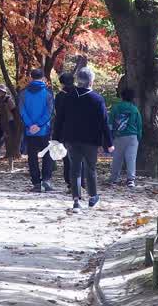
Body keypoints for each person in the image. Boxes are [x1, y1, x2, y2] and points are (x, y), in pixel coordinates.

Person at [55, 66, 113, 209]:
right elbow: (104, 122)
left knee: (74, 168)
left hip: (71, 139)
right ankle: (93, 196)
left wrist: (56, 137)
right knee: (90, 168)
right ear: (91, 81)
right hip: (91, 140)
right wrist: (109, 142)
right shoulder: (97, 99)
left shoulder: (68, 97)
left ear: (78, 80)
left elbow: (59, 119)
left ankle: (76, 200)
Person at [19, 68, 56, 192]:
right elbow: (50, 111)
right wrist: (39, 125)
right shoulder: (48, 93)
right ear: (43, 78)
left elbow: (22, 111)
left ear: (31, 77)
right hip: (44, 129)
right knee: (47, 155)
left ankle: (36, 183)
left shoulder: (23, 93)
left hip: (29, 131)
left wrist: (30, 125)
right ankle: (46, 180)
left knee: (32, 157)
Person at [108, 88, 142, 187]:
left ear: (122, 96)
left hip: (118, 136)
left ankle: (114, 179)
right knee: (131, 158)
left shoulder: (116, 108)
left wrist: (110, 135)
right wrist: (138, 137)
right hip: (132, 137)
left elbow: (110, 122)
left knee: (117, 158)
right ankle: (131, 180)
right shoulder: (134, 109)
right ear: (132, 98)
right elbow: (139, 125)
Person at [52, 71, 76, 186]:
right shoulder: (80, 93)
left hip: (64, 131)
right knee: (79, 157)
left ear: (61, 83)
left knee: (67, 158)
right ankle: (80, 181)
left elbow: (59, 116)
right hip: (80, 130)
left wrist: (55, 136)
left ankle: (70, 181)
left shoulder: (60, 96)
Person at [0, 84, 14, 158]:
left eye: (0, 91)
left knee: (6, 138)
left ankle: (9, 154)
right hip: (2, 121)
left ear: (4, 92)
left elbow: (13, 110)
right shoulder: (0, 100)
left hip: (9, 121)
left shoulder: (8, 99)